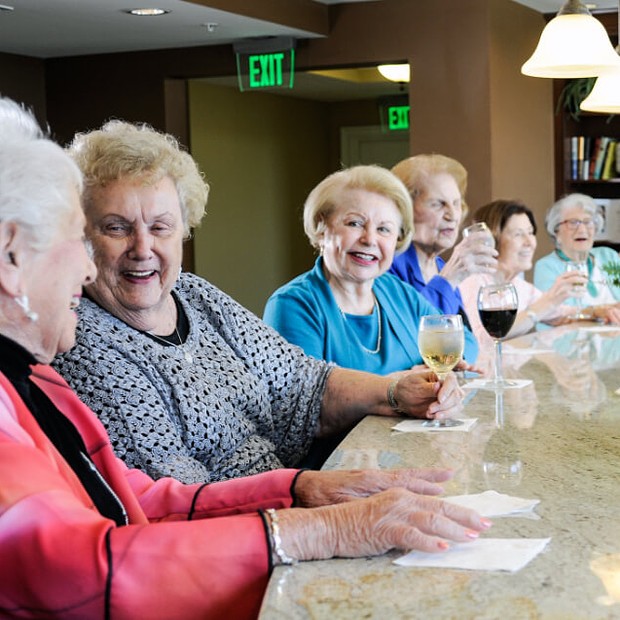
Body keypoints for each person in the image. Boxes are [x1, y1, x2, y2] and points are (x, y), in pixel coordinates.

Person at [0, 96, 491, 619]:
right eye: (89, 235)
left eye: (161, 227)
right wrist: (317, 527)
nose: (87, 264)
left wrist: (308, 488)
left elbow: (143, 497)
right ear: (11, 256)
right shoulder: (70, 360)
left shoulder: (34, 380)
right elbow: (79, 570)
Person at [53, 120, 465, 485]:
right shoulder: (82, 341)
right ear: (80, 233)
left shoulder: (195, 295)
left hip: (286, 494)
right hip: (242, 532)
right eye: (116, 228)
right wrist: (304, 492)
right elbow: (180, 498)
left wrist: (396, 391)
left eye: (160, 227)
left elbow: (301, 382)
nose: (143, 248)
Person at [263, 164, 479, 373]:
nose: (370, 239)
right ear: (322, 228)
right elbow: (302, 399)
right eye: (354, 223)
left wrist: (447, 365)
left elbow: (465, 340)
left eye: (384, 229)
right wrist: (398, 387)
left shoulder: (396, 291)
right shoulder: (293, 305)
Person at [459, 199, 584, 345]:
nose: (529, 242)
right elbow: (482, 340)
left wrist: (601, 311)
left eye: (530, 233)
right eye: (518, 234)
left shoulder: (518, 286)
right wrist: (545, 304)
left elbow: (562, 314)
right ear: (491, 240)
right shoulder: (473, 281)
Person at [388, 154, 498, 318]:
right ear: (404, 209)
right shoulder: (388, 265)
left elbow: (464, 335)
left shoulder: (440, 265)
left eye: (456, 204)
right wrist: (450, 277)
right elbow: (410, 332)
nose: (453, 216)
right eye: (438, 204)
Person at [534, 193, 620, 324]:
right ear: (556, 232)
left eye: (588, 222)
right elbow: (553, 314)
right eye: (573, 222)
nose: (582, 229)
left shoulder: (608, 256)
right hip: (570, 339)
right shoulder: (547, 266)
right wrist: (600, 311)